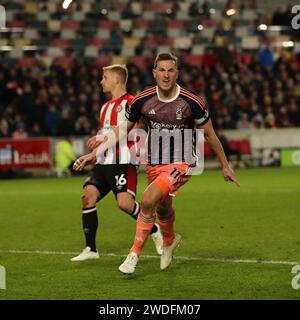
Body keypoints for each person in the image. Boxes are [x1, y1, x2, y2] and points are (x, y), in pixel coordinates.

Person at [73, 53, 240, 273]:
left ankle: (133, 255)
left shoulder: (192, 102)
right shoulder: (143, 100)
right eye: (162, 70)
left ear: (177, 73)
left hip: (182, 162)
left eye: (171, 70)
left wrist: (225, 165)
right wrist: (95, 154)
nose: (166, 75)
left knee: (148, 198)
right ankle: (169, 240)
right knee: (163, 208)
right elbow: (123, 129)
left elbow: (210, 134)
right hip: (155, 162)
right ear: (154, 73)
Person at [71, 64, 163, 261]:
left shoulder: (132, 103)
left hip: (124, 161)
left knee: (124, 204)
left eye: (104, 77)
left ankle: (154, 229)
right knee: (88, 196)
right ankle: (91, 249)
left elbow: (133, 129)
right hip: (104, 162)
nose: (101, 81)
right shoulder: (105, 108)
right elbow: (107, 134)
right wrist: (95, 152)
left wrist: (102, 140)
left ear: (117, 79)